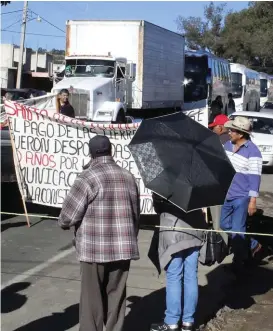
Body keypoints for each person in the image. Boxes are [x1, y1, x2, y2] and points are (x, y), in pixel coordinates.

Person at [58, 135, 140, 331]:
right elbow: (135, 214)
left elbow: (68, 217)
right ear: (111, 151)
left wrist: (63, 223)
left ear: (91, 153)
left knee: (91, 301)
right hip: (122, 249)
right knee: (116, 298)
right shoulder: (128, 177)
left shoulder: (87, 177)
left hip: (93, 251)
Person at [150, 193, 206, 331]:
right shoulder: (200, 178)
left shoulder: (165, 182)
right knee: (191, 276)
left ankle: (172, 321)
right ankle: (188, 322)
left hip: (173, 232)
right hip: (195, 230)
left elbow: (158, 208)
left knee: (174, 276)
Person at [220, 116, 263, 274]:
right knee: (224, 225)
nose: (229, 132)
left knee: (238, 231)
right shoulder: (227, 145)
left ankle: (238, 264)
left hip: (242, 197)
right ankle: (252, 245)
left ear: (241, 134)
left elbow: (255, 178)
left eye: (232, 130)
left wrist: (252, 201)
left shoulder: (253, 152)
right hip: (227, 194)